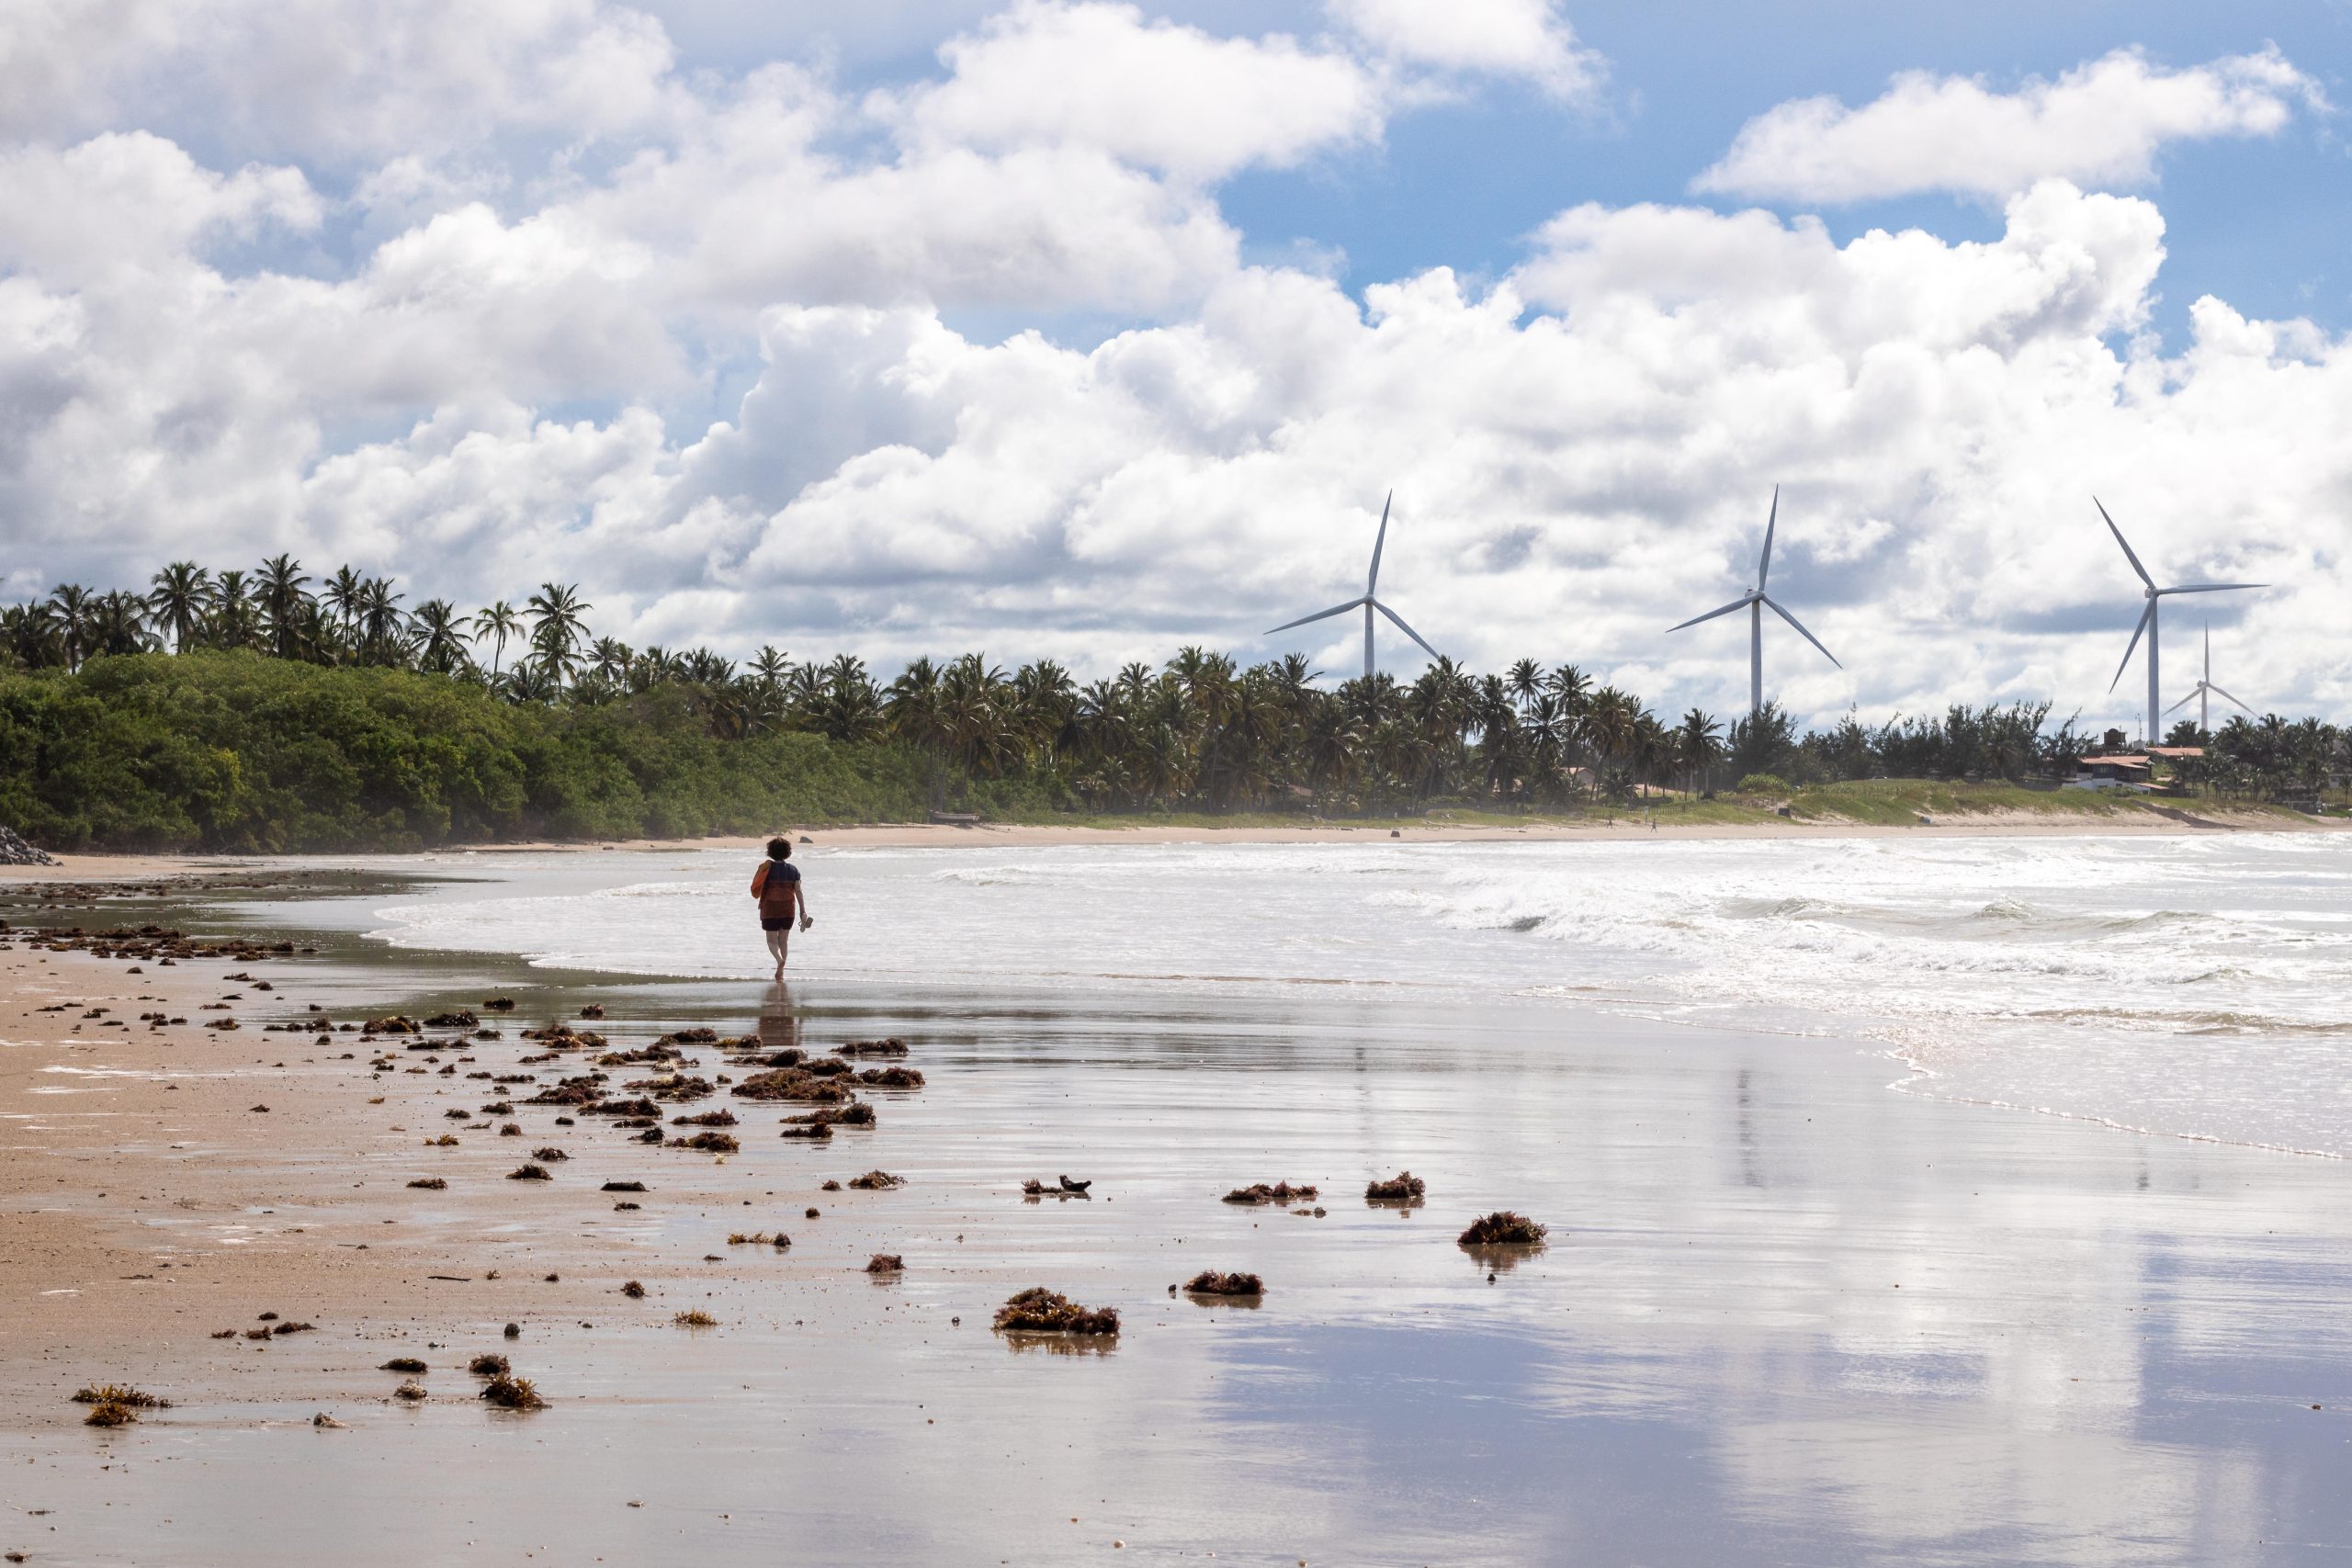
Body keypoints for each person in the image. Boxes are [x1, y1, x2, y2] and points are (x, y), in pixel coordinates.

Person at [750, 837, 809, 977]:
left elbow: (755, 887)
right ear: (787, 853)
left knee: (771, 940)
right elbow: (798, 891)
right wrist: (803, 910)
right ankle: (781, 970)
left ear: (770, 852)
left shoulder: (765, 869)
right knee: (784, 940)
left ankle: (779, 960)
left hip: (770, 908)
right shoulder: (793, 870)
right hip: (788, 909)